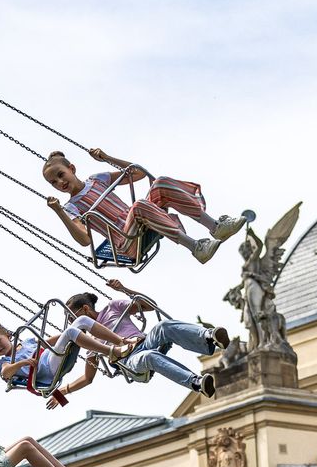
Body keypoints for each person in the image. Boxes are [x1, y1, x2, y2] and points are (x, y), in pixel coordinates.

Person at [43, 148, 251, 266]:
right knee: (139, 206)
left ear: (72, 168)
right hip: (126, 240)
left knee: (159, 183)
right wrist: (60, 212)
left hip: (140, 219)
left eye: (61, 175)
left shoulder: (96, 179)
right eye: (53, 182)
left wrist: (106, 158)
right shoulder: (71, 207)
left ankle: (215, 226)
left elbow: (137, 174)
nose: (60, 183)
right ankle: (196, 247)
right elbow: (84, 239)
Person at [61, 282, 229, 399]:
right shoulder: (90, 342)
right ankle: (196, 383)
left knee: (163, 326)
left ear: (85, 309)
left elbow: (149, 305)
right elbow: (87, 378)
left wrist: (124, 289)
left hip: (144, 342)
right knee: (148, 357)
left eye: (72, 318)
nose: (72, 324)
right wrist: (64, 391)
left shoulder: (112, 307)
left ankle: (209, 338)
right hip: (130, 362)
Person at [0, 314, 137, 404]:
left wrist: (76, 333)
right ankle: (113, 351)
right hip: (46, 371)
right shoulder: (4, 362)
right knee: (70, 331)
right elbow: (6, 373)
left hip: (51, 356)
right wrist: (23, 363)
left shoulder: (28, 342)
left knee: (82, 320)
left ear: (8, 335)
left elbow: (49, 341)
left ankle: (122, 341)